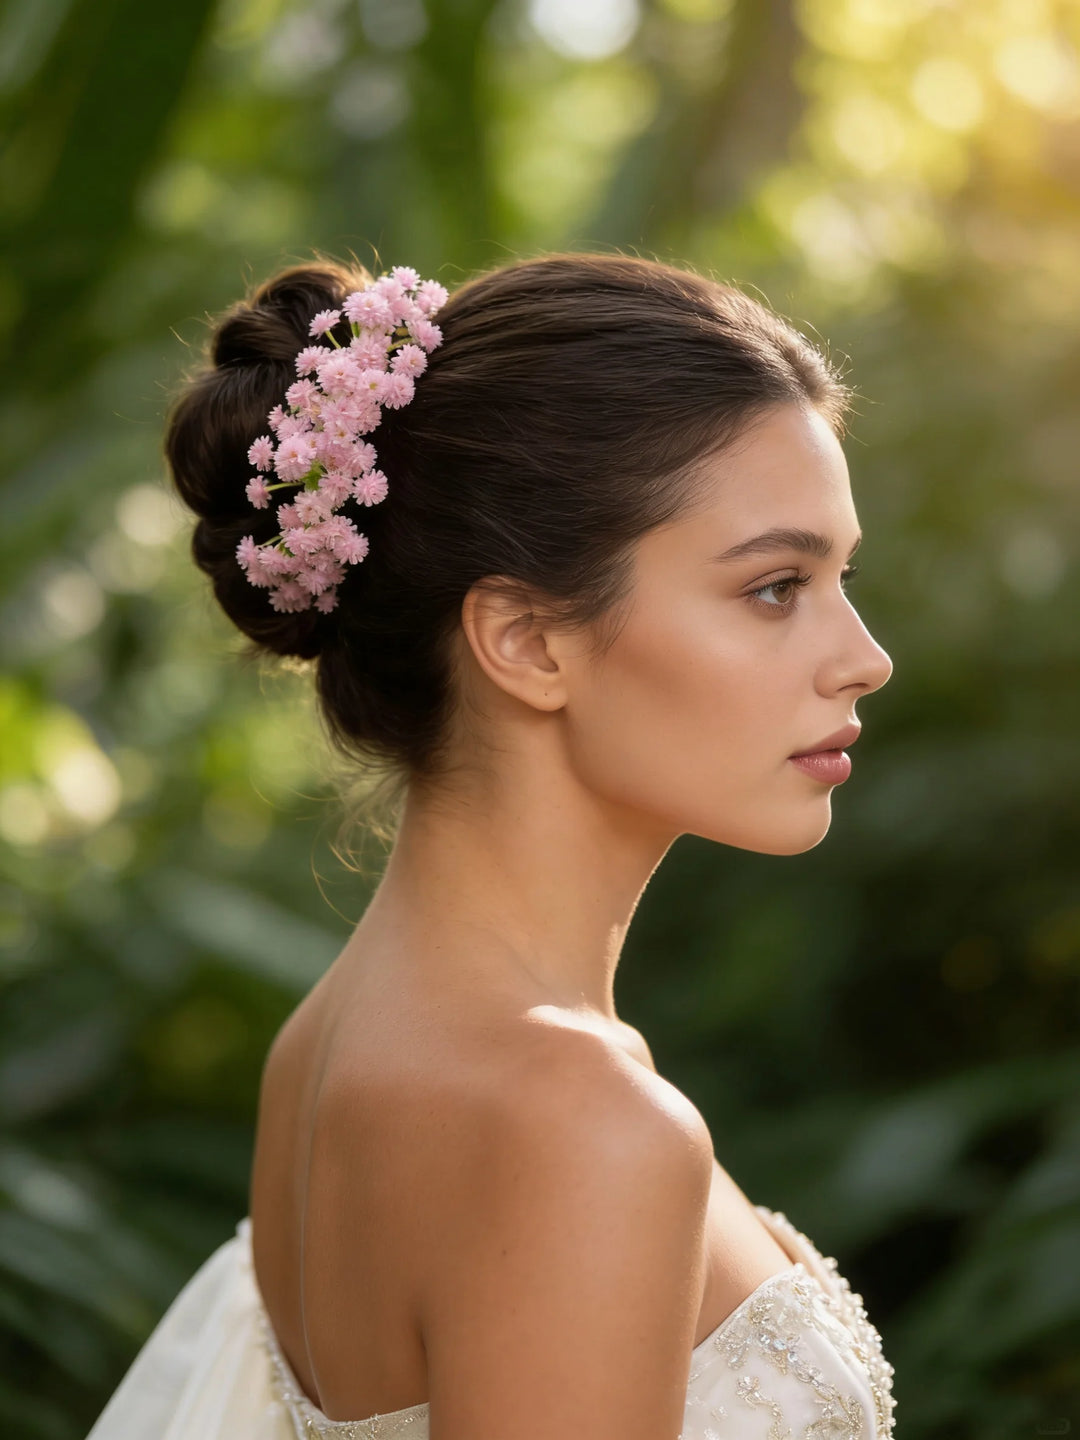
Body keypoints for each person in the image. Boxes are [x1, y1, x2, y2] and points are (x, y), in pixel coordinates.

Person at [86, 252, 897, 1439]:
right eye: (777, 587)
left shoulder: (324, 1051)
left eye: (842, 577)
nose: (864, 655)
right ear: (525, 641)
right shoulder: (579, 1126)